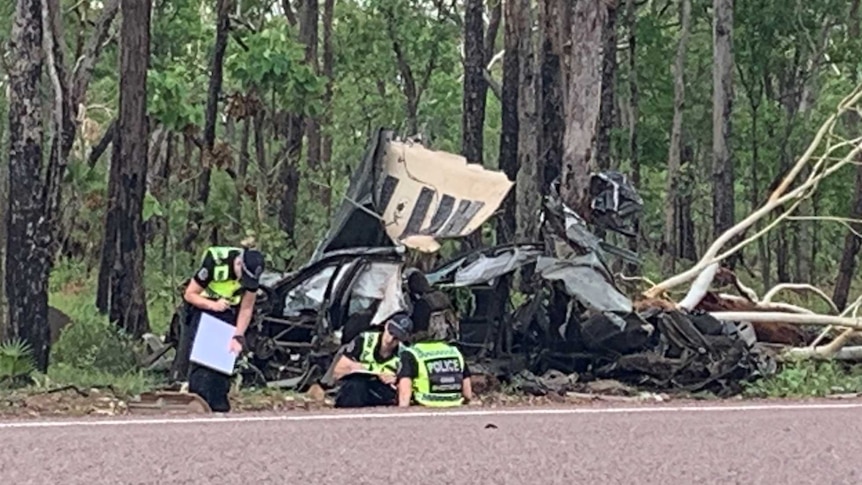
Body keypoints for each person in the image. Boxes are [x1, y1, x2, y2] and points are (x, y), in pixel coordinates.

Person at [176, 245, 265, 412]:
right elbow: (190, 294)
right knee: (204, 363)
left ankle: (219, 407)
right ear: (238, 263)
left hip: (229, 312)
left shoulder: (252, 276)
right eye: (243, 276)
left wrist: (238, 336)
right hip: (204, 309)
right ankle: (199, 403)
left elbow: (246, 308)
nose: (244, 282)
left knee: (223, 364)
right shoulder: (215, 262)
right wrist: (213, 305)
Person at [331, 313, 413, 408]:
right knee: (355, 384)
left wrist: (397, 380)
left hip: (382, 395)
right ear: (386, 325)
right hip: (357, 391)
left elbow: (407, 388)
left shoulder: (405, 354)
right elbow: (337, 370)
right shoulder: (364, 340)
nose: (390, 340)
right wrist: (359, 368)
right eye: (390, 333)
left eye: (396, 338)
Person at [396, 313, 472, 408]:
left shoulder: (411, 353)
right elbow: (468, 394)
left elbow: (404, 395)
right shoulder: (455, 352)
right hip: (454, 405)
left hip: (424, 405)